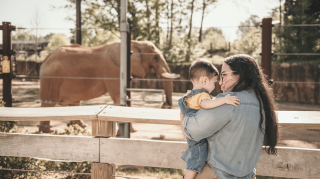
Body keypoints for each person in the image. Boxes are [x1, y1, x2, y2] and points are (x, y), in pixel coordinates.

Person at [182, 54, 279, 179]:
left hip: (216, 174)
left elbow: (192, 130)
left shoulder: (230, 101)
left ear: (240, 75)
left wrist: (185, 115)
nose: (221, 82)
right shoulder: (262, 104)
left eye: (224, 75)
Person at [178, 59, 240, 179]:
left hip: (191, 132)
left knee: (196, 151)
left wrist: (182, 129)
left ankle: (188, 156)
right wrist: (224, 100)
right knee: (198, 158)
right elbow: (206, 105)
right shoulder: (203, 95)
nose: (215, 85)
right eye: (214, 82)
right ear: (205, 80)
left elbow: (182, 114)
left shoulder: (188, 96)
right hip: (198, 135)